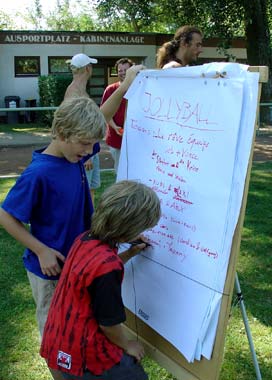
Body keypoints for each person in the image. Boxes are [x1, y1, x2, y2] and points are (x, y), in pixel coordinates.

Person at [40, 180, 161, 380]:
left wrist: (129, 253)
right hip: (85, 353)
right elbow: (108, 324)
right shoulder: (108, 268)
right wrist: (127, 344)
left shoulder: (84, 239)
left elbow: (93, 275)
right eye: (143, 227)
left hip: (58, 340)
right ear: (129, 228)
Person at [65, 53, 101, 205]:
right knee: (84, 191)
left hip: (90, 150)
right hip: (86, 153)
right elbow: (76, 127)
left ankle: (90, 222)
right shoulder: (75, 93)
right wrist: (88, 155)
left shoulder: (78, 90)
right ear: (87, 68)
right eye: (91, 66)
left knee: (91, 190)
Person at [101, 58, 134, 172]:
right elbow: (105, 113)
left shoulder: (139, 88)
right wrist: (115, 127)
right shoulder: (110, 89)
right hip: (116, 139)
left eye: (126, 70)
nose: (123, 72)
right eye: (120, 70)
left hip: (135, 140)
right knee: (120, 170)